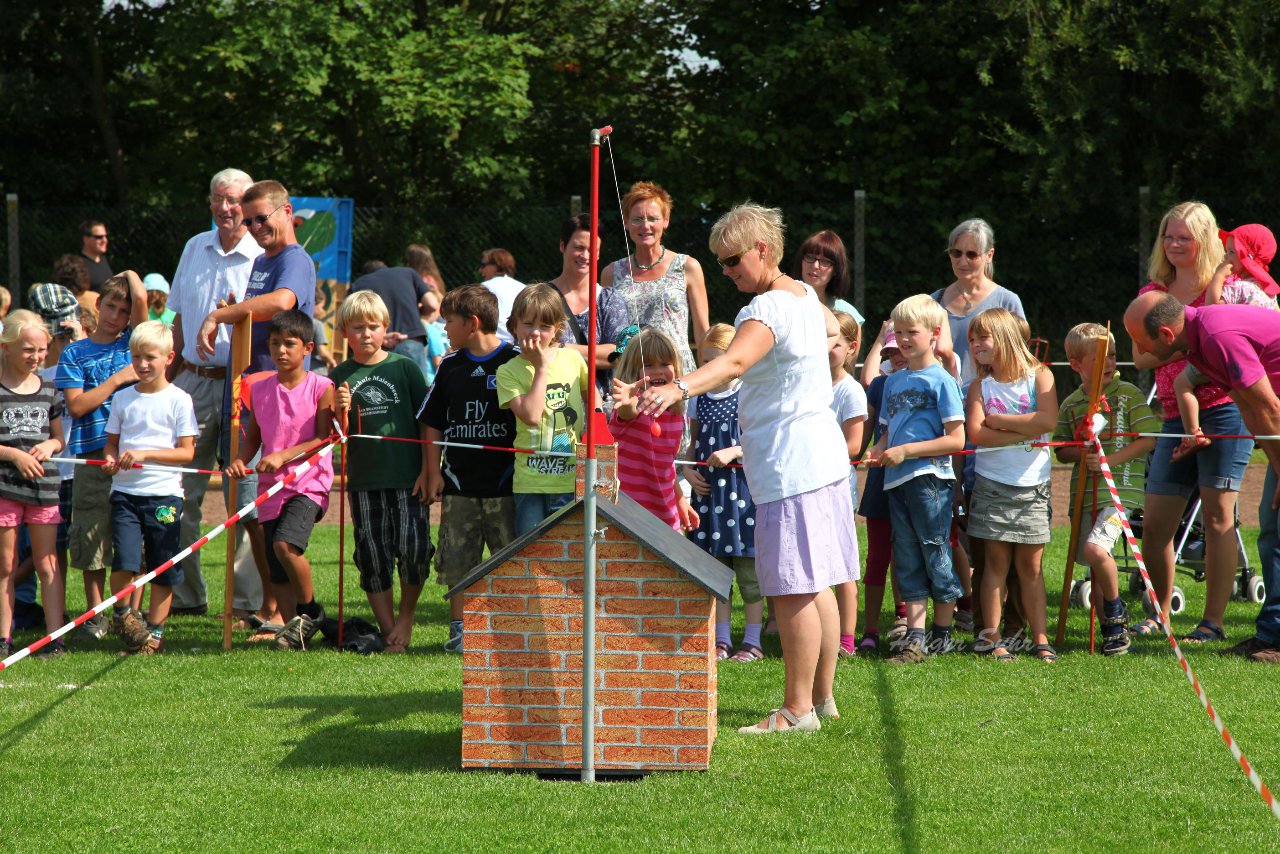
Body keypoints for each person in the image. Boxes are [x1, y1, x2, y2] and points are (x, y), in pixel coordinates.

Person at [624, 203, 855, 734]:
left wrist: (675, 388)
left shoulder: (764, 310)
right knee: (817, 582)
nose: (726, 271)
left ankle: (796, 711)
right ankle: (822, 700)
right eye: (720, 262)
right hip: (821, 461)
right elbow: (824, 328)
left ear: (763, 251)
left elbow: (732, 362)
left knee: (793, 587)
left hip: (790, 466)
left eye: (732, 261)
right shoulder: (804, 295)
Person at [1130, 201, 1267, 643]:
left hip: (1228, 406)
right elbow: (1140, 354)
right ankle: (1159, 611)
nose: (1173, 244)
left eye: (1183, 237)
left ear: (1205, 239)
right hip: (1172, 410)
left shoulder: (1229, 287)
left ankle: (1213, 622)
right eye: (1168, 236)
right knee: (1155, 522)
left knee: (1217, 517)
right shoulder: (1157, 290)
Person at [1124, 291, 1280, 663]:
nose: (1140, 354)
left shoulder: (1215, 336)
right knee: (1273, 529)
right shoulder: (1197, 347)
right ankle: (1271, 635)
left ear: (1164, 335)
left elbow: (1269, 405)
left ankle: (1272, 637)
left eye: (1141, 343)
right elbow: (1246, 404)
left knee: (1275, 528)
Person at [196, 179, 316, 629]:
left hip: (282, 403)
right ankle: (271, 608)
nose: (255, 227)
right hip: (253, 395)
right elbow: (259, 308)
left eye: (262, 218)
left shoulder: (295, 260)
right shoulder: (265, 261)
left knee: (267, 511)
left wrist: (220, 314)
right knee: (253, 509)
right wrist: (238, 306)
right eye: (249, 221)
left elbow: (284, 302)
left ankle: (278, 611)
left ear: (287, 212)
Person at [166, 168, 268, 623]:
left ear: (247, 204)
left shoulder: (262, 255)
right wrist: (168, 379)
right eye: (218, 199)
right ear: (209, 202)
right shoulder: (194, 247)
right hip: (189, 381)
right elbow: (179, 319)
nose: (226, 208)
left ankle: (245, 602)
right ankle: (187, 595)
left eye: (234, 201)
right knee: (177, 492)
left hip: (240, 387)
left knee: (242, 497)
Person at [866, 294, 966, 665]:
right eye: (898, 332)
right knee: (906, 557)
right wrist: (878, 449)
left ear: (935, 334)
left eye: (912, 332)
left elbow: (956, 439)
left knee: (934, 550)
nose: (904, 340)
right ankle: (915, 637)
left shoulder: (942, 380)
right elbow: (889, 432)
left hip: (931, 481)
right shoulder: (892, 381)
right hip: (896, 482)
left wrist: (907, 452)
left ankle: (942, 635)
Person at [226, 310, 334, 651]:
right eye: (275, 343)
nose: (281, 350)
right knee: (275, 568)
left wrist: (285, 456)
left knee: (285, 545)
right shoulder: (258, 388)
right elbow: (254, 437)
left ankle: (310, 611)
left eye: (290, 344)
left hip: (308, 482)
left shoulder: (321, 386)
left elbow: (324, 437)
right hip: (270, 487)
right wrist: (241, 460)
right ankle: (293, 633)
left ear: (308, 348)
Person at [331, 293, 432, 653]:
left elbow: (427, 422)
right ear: (344, 332)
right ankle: (390, 632)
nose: (366, 334)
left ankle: (405, 617)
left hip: (408, 478)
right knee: (372, 555)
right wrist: (340, 411)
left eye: (373, 326)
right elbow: (337, 436)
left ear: (385, 328)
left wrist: (429, 471)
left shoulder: (404, 368)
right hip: (364, 481)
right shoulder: (339, 375)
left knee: (415, 549)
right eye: (357, 327)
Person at [421, 285, 518, 653]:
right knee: (458, 562)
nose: (444, 329)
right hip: (459, 487)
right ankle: (461, 631)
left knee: (508, 562)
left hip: (506, 486)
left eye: (449, 322)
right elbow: (430, 421)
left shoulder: (515, 360)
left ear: (472, 323)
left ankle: (509, 628)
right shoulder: (450, 366)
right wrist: (432, 472)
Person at [1053, 323, 1158, 656]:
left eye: (1112, 355)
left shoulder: (1128, 393)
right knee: (1095, 562)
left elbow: (1149, 438)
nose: (1110, 363)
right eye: (1099, 359)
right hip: (1084, 494)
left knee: (1097, 550)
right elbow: (1061, 449)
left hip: (1120, 492)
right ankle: (1111, 632)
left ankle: (1115, 617)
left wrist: (1110, 460)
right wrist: (1080, 449)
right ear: (1076, 364)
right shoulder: (1072, 403)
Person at [55, 271, 148, 640]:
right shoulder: (74, 353)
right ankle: (97, 615)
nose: (115, 315)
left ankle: (131, 614)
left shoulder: (132, 345)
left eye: (124, 311)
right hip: (92, 455)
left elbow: (143, 301)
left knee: (132, 538)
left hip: (130, 455)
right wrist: (115, 381)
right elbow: (76, 406)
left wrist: (130, 276)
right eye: (110, 306)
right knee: (91, 535)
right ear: (98, 305)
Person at [964, 308, 1058, 661]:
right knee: (995, 566)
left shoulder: (1041, 376)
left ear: (1004, 337)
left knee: (1031, 568)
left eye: (982, 338)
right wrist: (1025, 429)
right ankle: (992, 639)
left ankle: (1041, 639)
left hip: (1034, 486)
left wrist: (999, 421)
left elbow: (1048, 420)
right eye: (972, 339)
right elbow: (976, 434)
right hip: (992, 485)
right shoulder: (978, 386)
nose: (975, 345)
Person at [102, 321, 198, 654]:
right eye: (136, 357)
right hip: (126, 494)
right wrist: (112, 459)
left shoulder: (180, 400)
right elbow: (110, 445)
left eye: (150, 357)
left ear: (169, 357)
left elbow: (187, 452)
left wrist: (144, 453)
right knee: (125, 561)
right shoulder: (122, 398)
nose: (142, 364)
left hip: (165, 495)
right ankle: (123, 614)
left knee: (163, 566)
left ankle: (154, 634)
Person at [684, 324, 763, 663]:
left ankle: (754, 640)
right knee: (716, 570)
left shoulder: (749, 393)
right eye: (707, 362)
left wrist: (734, 451)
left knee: (748, 571)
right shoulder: (698, 399)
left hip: (742, 492)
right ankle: (722, 639)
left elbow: (760, 439)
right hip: (708, 494)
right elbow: (691, 445)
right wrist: (687, 469)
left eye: (719, 362)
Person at [1171, 223, 1278, 462]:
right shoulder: (1266, 289)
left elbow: (1211, 313)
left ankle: (1192, 434)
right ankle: (1263, 436)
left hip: (1227, 354)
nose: (1226, 257)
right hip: (1254, 361)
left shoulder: (1240, 289)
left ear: (1246, 257)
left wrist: (1219, 276)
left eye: (1231, 252)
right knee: (1249, 404)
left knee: (1182, 383)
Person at [497, 284, 590, 536]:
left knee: (565, 550)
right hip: (530, 482)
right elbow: (531, 416)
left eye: (545, 326)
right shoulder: (507, 371)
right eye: (528, 324)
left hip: (570, 479)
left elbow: (593, 399)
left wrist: (595, 427)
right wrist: (540, 369)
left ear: (557, 329)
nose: (536, 333)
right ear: (514, 325)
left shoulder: (572, 359)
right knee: (532, 551)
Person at [0, 311, 67, 660]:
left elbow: (59, 440)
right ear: (6, 347)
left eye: (42, 350)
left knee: (47, 562)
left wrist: (50, 446)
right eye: (28, 349)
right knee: (6, 565)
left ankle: (54, 637)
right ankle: (4, 637)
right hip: (5, 489)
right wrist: (13, 454)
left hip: (43, 489)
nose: (37, 357)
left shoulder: (50, 390)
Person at [602, 182, 709, 373]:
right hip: (632, 374)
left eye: (653, 218)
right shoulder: (611, 273)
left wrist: (708, 383)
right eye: (637, 219)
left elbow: (703, 335)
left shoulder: (687, 267)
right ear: (626, 222)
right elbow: (607, 337)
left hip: (677, 373)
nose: (646, 226)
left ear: (665, 221)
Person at [609, 328, 697, 531]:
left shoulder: (675, 413)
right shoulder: (633, 405)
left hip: (666, 513)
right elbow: (627, 411)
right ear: (634, 372)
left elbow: (667, 466)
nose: (657, 371)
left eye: (665, 364)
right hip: (629, 514)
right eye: (648, 365)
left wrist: (680, 499)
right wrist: (627, 400)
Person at [856, 329, 908, 654]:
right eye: (890, 352)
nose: (896, 356)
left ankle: (903, 619)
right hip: (879, 482)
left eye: (901, 349)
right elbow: (866, 432)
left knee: (906, 554)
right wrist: (852, 454)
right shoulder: (878, 385)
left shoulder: (929, 381)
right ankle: (870, 628)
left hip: (912, 480)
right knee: (877, 556)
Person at [930, 218, 1025, 386]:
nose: (962, 261)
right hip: (942, 399)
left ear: (989, 255)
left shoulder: (1007, 301)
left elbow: (1019, 360)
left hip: (991, 401)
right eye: (956, 253)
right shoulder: (933, 302)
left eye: (971, 254)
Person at [546, 214, 628, 406]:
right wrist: (596, 354)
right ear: (562, 246)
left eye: (592, 250)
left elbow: (619, 353)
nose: (585, 256)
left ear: (599, 253)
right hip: (552, 408)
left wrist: (562, 349)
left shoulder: (609, 300)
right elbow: (527, 349)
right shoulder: (542, 298)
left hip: (600, 412)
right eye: (578, 248)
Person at [828, 311, 866, 657]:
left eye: (834, 343)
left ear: (851, 347)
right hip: (809, 485)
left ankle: (846, 639)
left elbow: (854, 445)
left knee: (843, 566)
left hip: (838, 486)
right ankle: (822, 633)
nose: (826, 349)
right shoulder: (808, 385)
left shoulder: (850, 391)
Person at [348, 264, 432, 378]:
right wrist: (416, 313)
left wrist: (381, 338)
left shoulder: (358, 284)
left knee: (385, 390)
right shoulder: (408, 273)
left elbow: (347, 321)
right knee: (418, 389)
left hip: (379, 345)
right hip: (411, 339)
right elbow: (432, 304)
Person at [792, 230, 865, 324]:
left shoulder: (848, 313)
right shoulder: (782, 302)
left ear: (836, 270)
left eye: (825, 262)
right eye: (810, 257)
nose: (815, 265)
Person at [477, 248, 525, 346]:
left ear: (497, 265)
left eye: (483, 265)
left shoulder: (483, 288)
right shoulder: (523, 288)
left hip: (492, 344)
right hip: (520, 344)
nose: (480, 270)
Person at [78, 220, 113, 291]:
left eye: (105, 236)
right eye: (99, 237)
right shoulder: (78, 265)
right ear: (86, 239)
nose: (105, 240)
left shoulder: (103, 260)